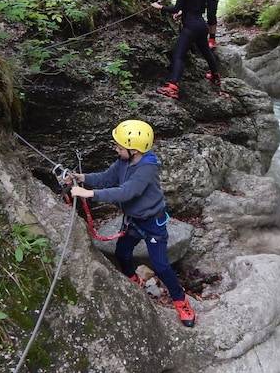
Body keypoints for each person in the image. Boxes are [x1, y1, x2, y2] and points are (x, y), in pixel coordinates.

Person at [69, 119, 196, 327]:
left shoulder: (147, 168)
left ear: (134, 150)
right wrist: (81, 178)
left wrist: (90, 194)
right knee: (122, 253)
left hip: (152, 224)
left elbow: (127, 192)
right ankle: (133, 279)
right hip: (133, 221)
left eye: (119, 147)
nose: (116, 149)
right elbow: (106, 178)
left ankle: (181, 301)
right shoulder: (123, 161)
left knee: (161, 266)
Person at [153, 0, 220, 100]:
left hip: (190, 27)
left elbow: (176, 8)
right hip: (202, 26)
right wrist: (182, 13)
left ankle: (172, 87)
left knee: (179, 55)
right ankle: (215, 76)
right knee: (206, 52)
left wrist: (160, 7)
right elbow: (198, 8)